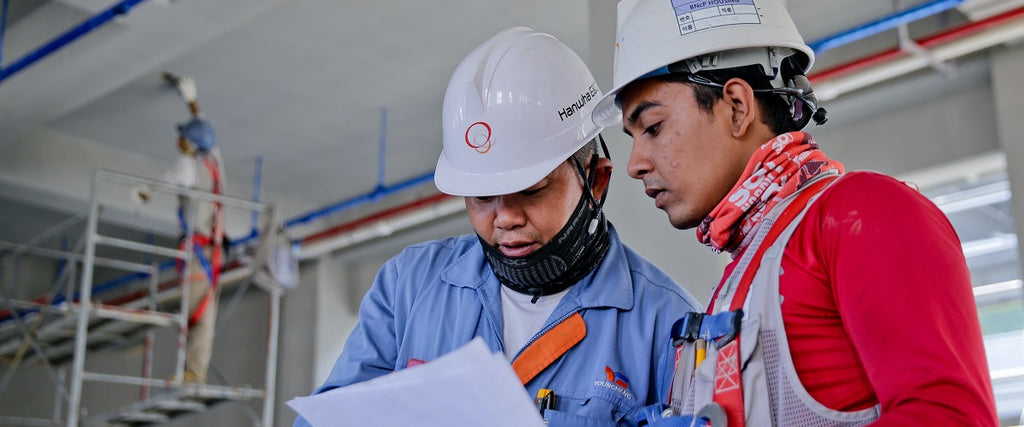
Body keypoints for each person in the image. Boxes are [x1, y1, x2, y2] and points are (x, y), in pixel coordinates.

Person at [591, 1, 998, 426]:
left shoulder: (862, 213)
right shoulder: (742, 275)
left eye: (653, 127)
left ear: (736, 105)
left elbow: (950, 417)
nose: (635, 163)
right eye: (632, 137)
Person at [294, 27, 699, 426]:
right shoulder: (408, 287)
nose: (504, 218)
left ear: (596, 179)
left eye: (531, 190)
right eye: (482, 196)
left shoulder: (670, 326)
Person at [134, 74, 226, 384]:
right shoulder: (213, 160)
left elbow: (167, 178)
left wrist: (145, 191)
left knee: (195, 315)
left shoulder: (187, 166)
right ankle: (194, 371)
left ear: (188, 143)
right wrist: (192, 102)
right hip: (211, 250)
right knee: (202, 312)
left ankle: (192, 373)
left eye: (183, 137)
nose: (179, 139)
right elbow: (206, 131)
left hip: (198, 252)